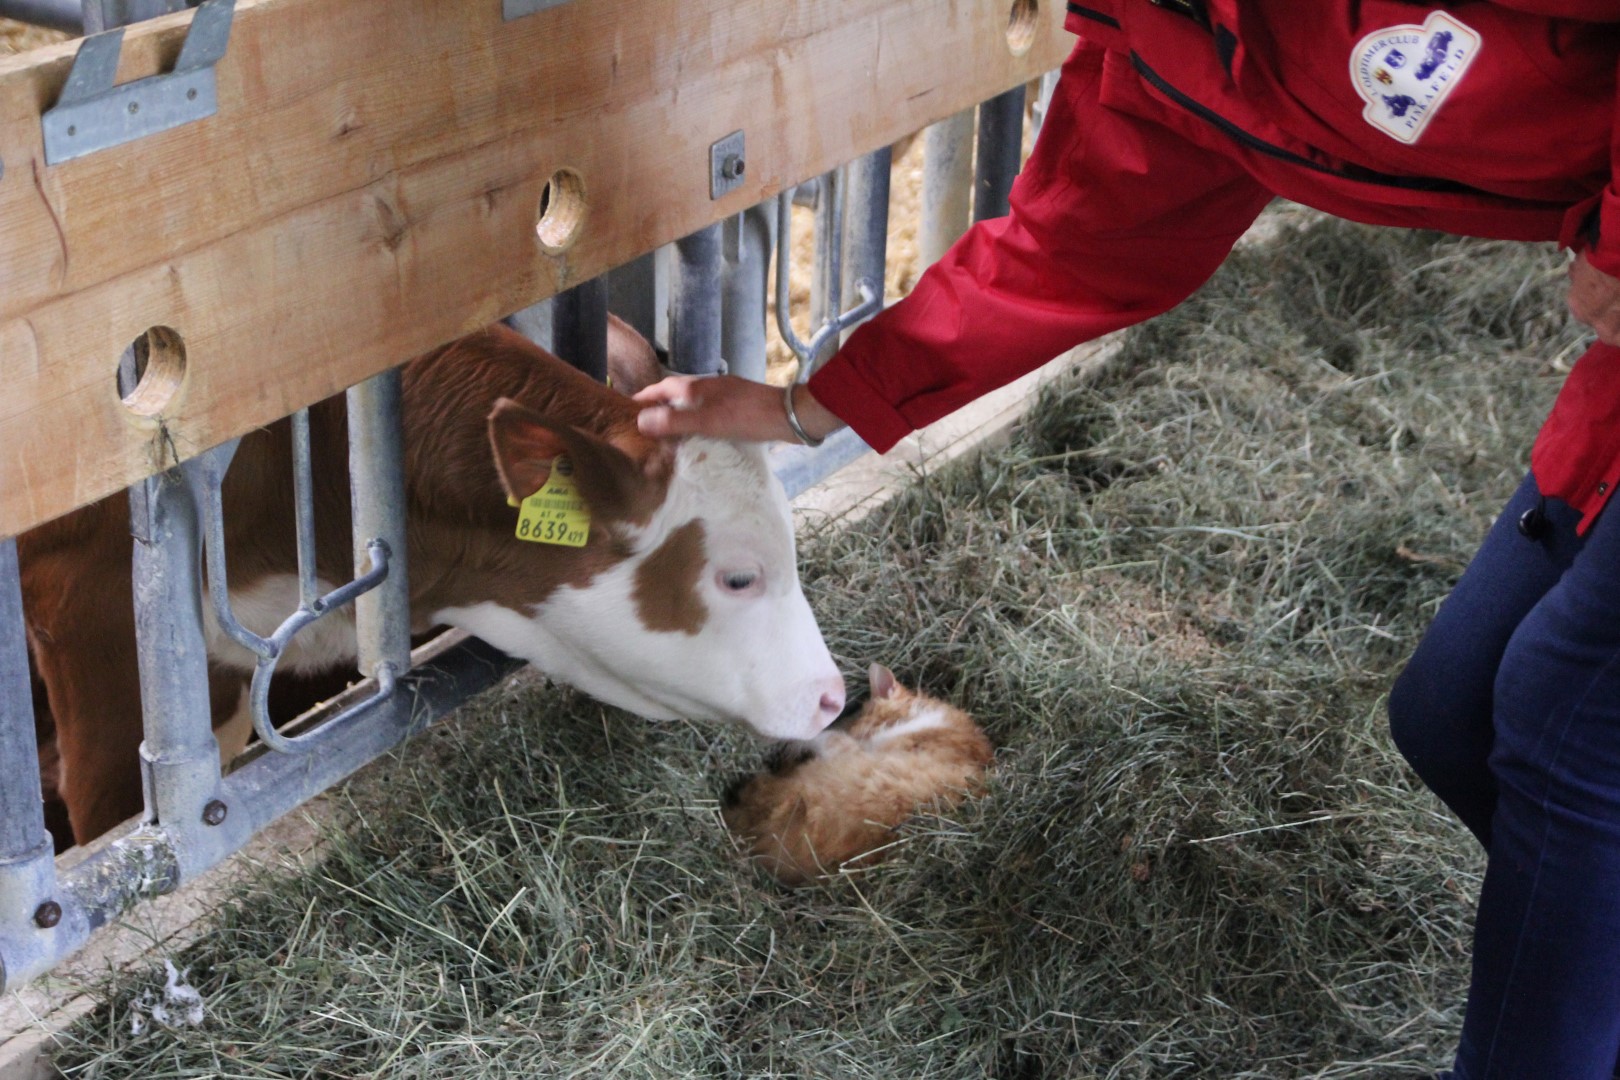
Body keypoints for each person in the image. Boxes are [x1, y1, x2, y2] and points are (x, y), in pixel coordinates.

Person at [635, 3, 1620, 1075]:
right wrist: (803, 410)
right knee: (1452, 713)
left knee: (1565, 732)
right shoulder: (1161, 30)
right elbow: (1082, 237)